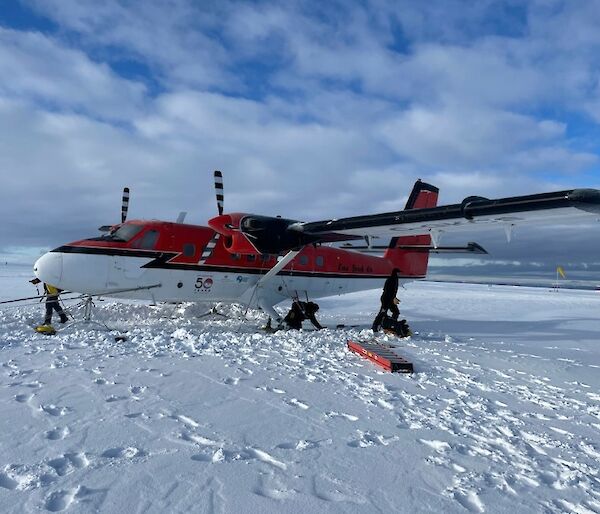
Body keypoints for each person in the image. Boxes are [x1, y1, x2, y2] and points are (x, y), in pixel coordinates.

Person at [372, 268, 400, 332]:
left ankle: (391, 325)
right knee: (383, 313)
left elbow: (391, 291)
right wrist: (393, 298)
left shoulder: (393, 278)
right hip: (386, 299)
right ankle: (375, 327)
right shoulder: (392, 279)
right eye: (398, 272)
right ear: (396, 273)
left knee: (395, 312)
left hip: (389, 298)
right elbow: (388, 291)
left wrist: (394, 298)